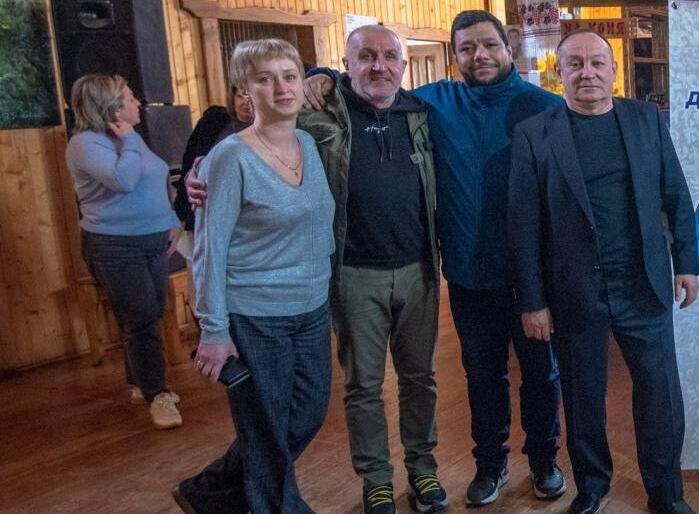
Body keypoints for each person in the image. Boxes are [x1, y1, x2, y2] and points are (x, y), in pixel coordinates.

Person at [192, 11, 567, 507]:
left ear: (508, 47)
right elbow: (270, 129)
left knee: (512, 376)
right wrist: (209, 163)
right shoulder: (397, 107)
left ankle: (523, 464)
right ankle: (447, 472)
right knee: (437, 382)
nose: (479, 55)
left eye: (488, 45)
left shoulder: (511, 108)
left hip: (478, 274)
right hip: (416, 275)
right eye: (466, 48)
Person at [508, 29, 699, 514]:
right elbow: (523, 224)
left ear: (614, 71)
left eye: (597, 63)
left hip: (643, 283)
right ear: (559, 73)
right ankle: (592, 486)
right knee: (583, 398)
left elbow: (676, 193)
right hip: (574, 290)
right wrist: (533, 301)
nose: (587, 72)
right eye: (575, 64)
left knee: (660, 395)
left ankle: (666, 492)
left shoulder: (645, 120)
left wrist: (688, 263)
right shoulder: (535, 134)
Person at [174, 38, 335, 514]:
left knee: (306, 414)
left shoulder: (308, 143)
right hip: (255, 314)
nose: (281, 87)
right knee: (265, 427)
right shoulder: (229, 157)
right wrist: (213, 330)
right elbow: (209, 249)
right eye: (265, 79)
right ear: (245, 90)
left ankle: (209, 490)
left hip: (311, 308)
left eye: (289, 76)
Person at [294, 25, 446, 514]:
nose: (378, 65)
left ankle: (423, 470)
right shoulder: (319, 115)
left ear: (403, 65)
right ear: (347, 65)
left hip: (419, 270)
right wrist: (204, 169)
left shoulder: (421, 115)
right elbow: (262, 134)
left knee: (420, 378)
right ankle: (376, 479)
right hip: (354, 274)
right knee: (362, 386)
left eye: (388, 56)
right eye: (365, 56)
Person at [65, 73, 183, 429]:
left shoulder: (129, 138)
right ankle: (158, 395)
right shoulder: (85, 143)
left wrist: (171, 220)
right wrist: (130, 140)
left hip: (152, 238)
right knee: (142, 316)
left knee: (149, 311)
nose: (138, 103)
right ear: (112, 107)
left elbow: (155, 178)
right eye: (130, 98)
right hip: (114, 244)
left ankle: (138, 382)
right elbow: (123, 180)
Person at [176, 86, 253, 237]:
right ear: (232, 99)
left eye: (251, 98)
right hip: (206, 206)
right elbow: (189, 161)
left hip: (244, 215)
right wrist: (181, 212)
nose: (245, 102)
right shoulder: (214, 122)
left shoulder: (268, 130)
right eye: (240, 96)